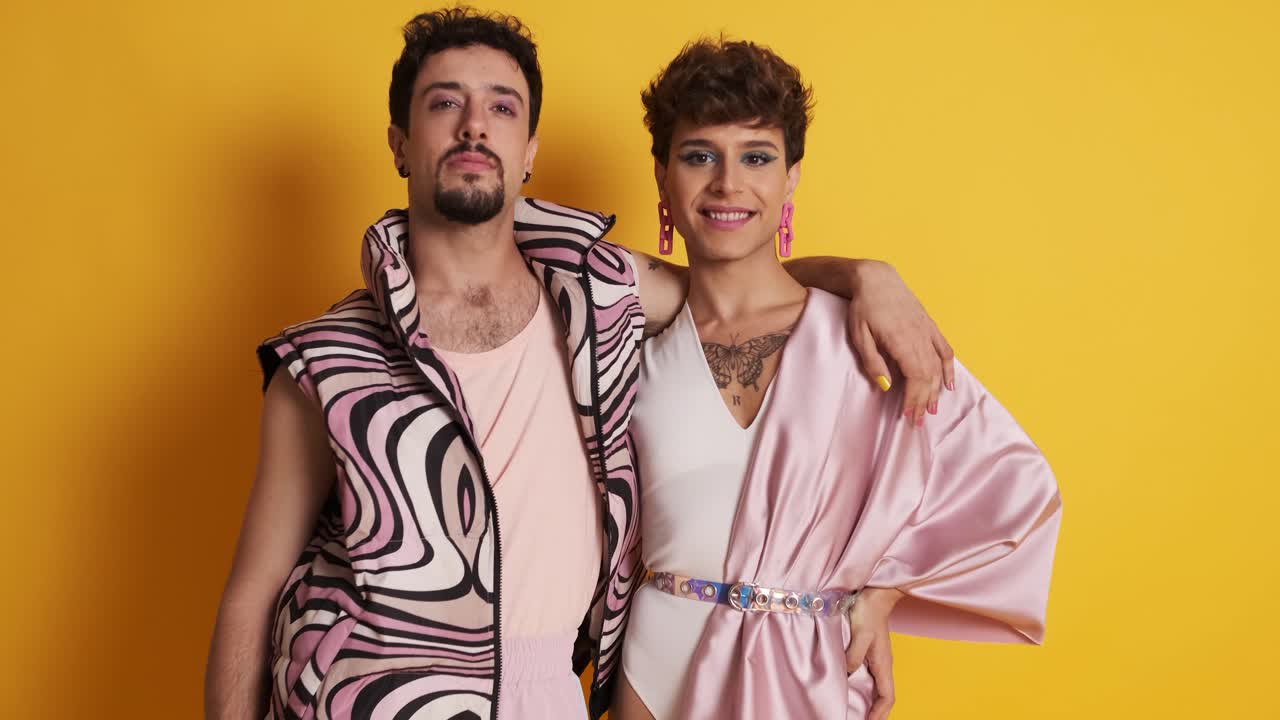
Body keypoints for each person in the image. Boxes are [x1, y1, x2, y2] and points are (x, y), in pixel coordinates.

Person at [203, 8, 956, 720]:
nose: (474, 124)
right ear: (399, 141)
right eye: (445, 104)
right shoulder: (327, 358)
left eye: (502, 107)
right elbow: (252, 592)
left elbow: (740, 282)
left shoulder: (602, 293)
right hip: (370, 690)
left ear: (529, 149)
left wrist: (868, 277)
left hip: (550, 688)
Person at [612, 38, 1062, 720]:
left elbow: (1016, 489)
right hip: (654, 669)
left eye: (757, 157)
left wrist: (882, 591)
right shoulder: (629, 344)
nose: (728, 183)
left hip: (807, 676)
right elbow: (498, 237)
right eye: (699, 154)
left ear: (792, 178)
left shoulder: (867, 341)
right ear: (662, 175)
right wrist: (857, 268)